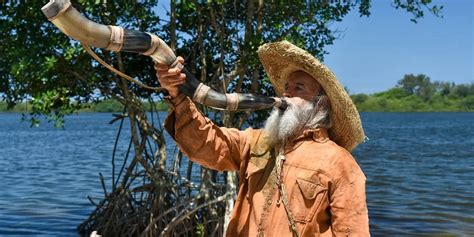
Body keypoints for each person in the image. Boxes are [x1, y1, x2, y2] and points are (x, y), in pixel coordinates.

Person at [155, 41, 369, 236]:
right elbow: (204, 143)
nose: (286, 95)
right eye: (286, 87)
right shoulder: (257, 142)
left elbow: (352, 232)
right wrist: (176, 93)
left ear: (319, 104)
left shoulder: (339, 162)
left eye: (298, 88)